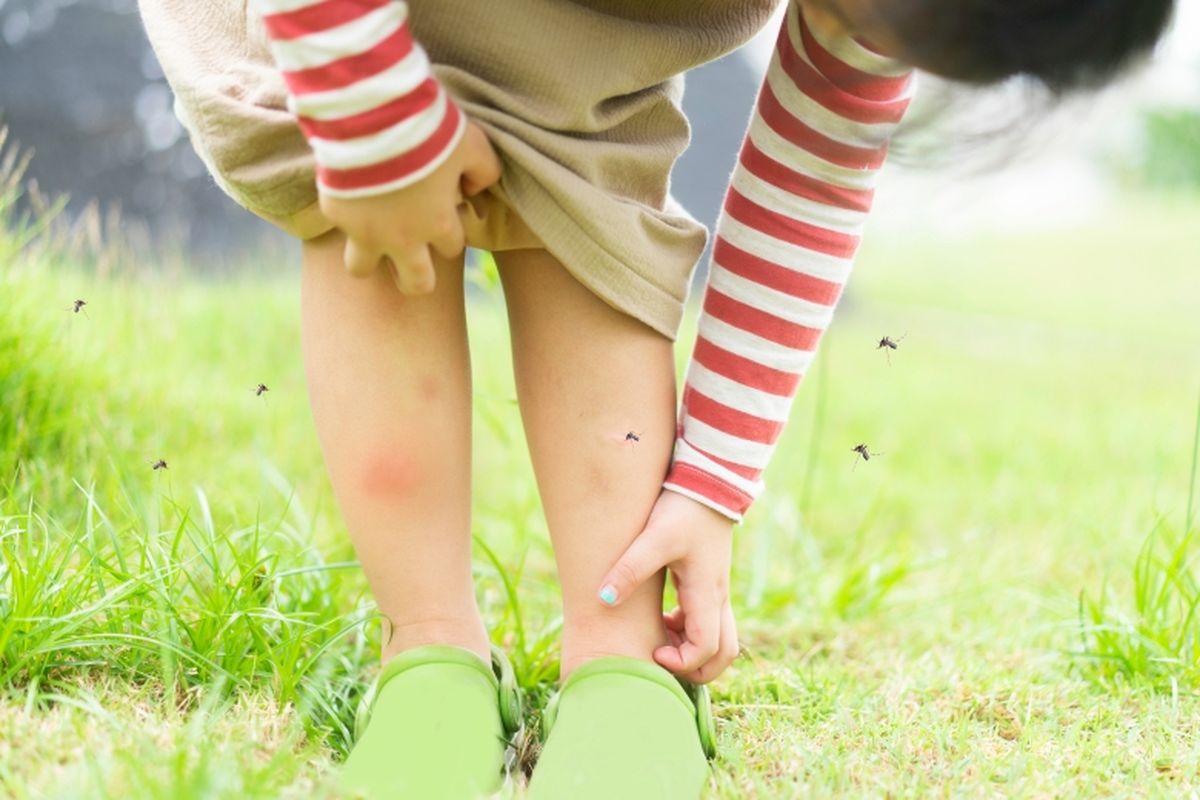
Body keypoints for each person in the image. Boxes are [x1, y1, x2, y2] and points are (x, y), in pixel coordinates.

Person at [136, 0, 1174, 796]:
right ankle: (429, 642)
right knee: (372, 226)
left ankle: (619, 661)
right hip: (331, 27)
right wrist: (368, 114)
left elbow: (809, 178)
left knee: (593, 214)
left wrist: (714, 474)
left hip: (592, 39)